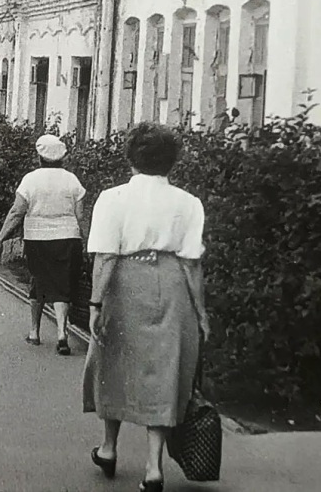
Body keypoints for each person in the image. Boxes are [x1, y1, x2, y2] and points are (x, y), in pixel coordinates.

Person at [82, 122, 209, 492]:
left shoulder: (112, 198)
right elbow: (192, 263)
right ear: (173, 161)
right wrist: (201, 313)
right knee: (164, 370)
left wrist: (95, 302)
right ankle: (153, 468)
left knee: (113, 362)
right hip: (171, 285)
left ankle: (108, 448)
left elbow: (105, 257)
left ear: (132, 158)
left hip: (125, 281)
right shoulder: (188, 203)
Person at [0, 134, 85, 355]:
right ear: (62, 157)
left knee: (39, 280)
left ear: (39, 157)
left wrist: (1, 238)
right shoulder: (72, 180)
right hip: (68, 237)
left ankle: (34, 332)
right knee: (62, 284)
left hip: (38, 239)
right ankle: (62, 333)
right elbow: (80, 215)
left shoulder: (30, 180)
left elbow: (17, 212)